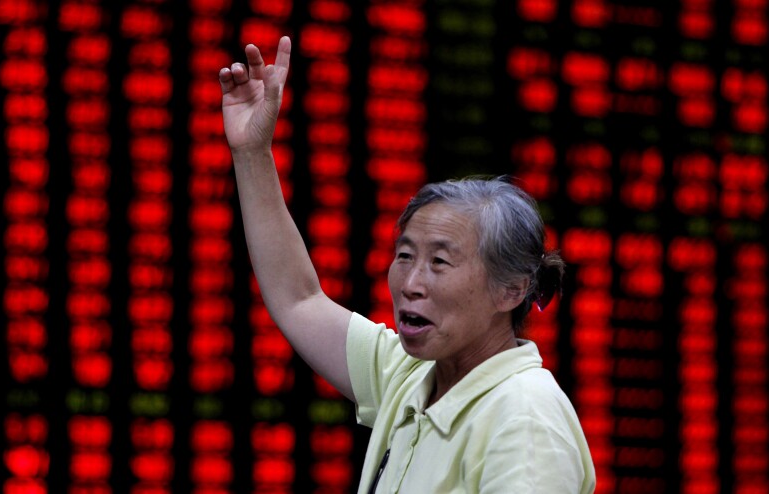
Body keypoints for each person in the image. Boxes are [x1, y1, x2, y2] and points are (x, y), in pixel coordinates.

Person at [219, 36, 596, 493]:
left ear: (512, 289)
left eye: (440, 261)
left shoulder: (525, 419)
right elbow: (298, 298)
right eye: (404, 255)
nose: (411, 283)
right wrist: (252, 153)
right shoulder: (412, 375)